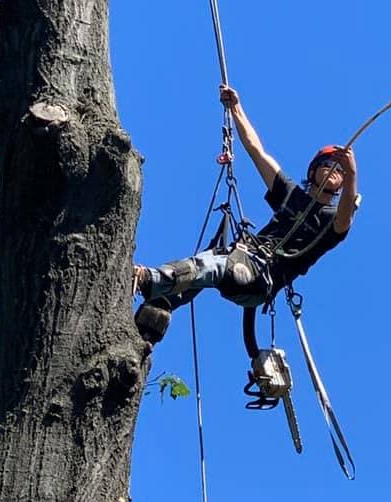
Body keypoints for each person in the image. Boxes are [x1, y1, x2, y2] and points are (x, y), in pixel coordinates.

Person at [133, 84, 358, 345]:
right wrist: (235, 107)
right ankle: (152, 321)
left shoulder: (331, 218)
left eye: (339, 170)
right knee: (203, 264)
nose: (334, 171)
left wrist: (352, 173)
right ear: (313, 171)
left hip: (261, 278)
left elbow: (345, 219)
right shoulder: (291, 195)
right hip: (243, 257)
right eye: (328, 165)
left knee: (212, 266)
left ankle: (147, 278)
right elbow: (256, 150)